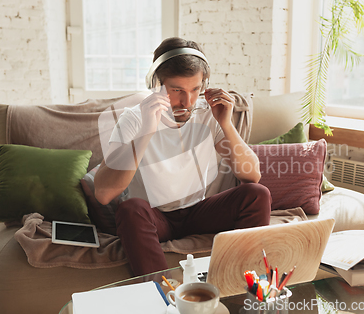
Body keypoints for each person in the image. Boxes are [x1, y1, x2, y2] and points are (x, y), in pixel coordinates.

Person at [94, 37, 271, 276]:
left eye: (195, 89)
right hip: (154, 218)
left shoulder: (208, 114)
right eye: (176, 90)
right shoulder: (134, 119)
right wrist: (147, 129)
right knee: (130, 209)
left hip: (198, 211)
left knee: (257, 194)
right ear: (156, 84)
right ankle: (162, 296)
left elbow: (252, 175)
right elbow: (104, 194)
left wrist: (226, 125)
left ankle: (242, 282)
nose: (187, 102)